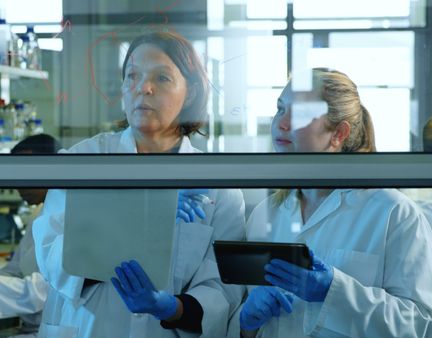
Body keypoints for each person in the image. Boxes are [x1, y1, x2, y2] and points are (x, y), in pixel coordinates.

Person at [33, 31, 246, 337]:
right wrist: (138, 214)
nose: (143, 88)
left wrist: (171, 308)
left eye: (162, 78)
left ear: (193, 93)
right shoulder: (82, 161)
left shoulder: (217, 188)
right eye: (132, 76)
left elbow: (222, 290)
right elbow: (52, 257)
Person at [229, 68, 432, 338]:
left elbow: (421, 326)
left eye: (299, 113)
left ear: (338, 134)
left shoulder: (394, 212)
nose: (281, 123)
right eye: (280, 109)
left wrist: (334, 292)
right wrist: (246, 324)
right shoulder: (266, 215)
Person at [0, 134, 62, 337]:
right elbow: (14, 271)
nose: (18, 184)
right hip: (30, 327)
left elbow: (43, 291)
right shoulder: (40, 214)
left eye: (24, 172)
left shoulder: (70, 217)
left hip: (51, 330)